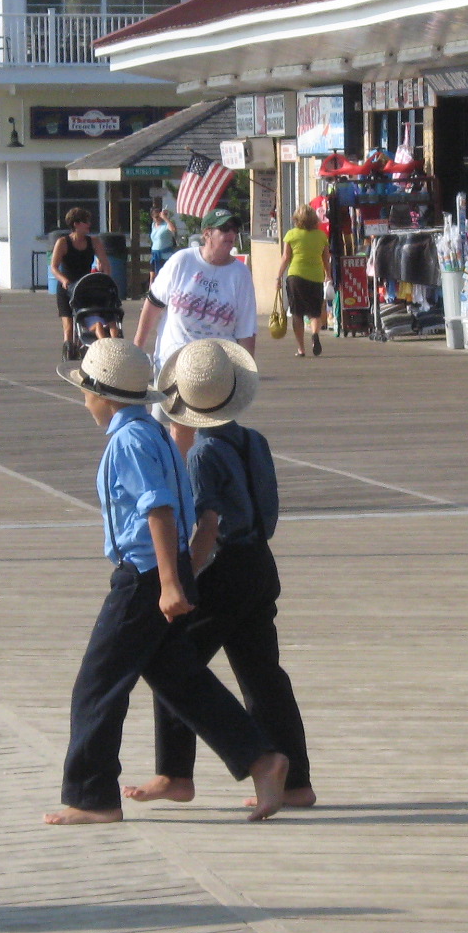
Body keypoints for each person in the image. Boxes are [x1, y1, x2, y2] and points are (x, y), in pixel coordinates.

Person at [45, 339, 288, 825]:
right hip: (166, 567)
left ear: (105, 396)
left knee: (97, 685)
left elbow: (157, 508)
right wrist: (178, 573)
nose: (84, 399)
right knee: (181, 679)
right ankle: (261, 758)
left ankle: (93, 797)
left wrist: (169, 584)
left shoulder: (129, 441)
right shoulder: (155, 434)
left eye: (86, 391)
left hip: (144, 576)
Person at [122, 339, 316, 810]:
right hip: (260, 564)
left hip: (227, 568)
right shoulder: (254, 441)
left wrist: (181, 577)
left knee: (173, 659)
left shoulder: (202, 453)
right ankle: (296, 783)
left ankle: (175, 773)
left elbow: (208, 526)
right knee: (262, 674)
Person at [133, 207, 256, 455]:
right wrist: (136, 350)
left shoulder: (240, 274)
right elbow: (153, 305)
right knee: (179, 427)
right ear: (207, 233)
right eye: (224, 229)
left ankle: (202, 481)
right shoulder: (182, 261)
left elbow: (246, 329)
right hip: (175, 360)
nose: (231, 233)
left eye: (234, 229)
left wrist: (246, 374)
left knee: (216, 432)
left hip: (216, 365)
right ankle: (183, 483)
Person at [52, 207, 109, 360]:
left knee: (89, 318)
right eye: (86, 222)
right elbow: (54, 267)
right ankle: (68, 351)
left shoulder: (94, 241)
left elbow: (105, 263)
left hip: (85, 286)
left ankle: (88, 346)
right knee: (69, 327)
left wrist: (106, 280)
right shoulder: (63, 242)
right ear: (76, 224)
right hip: (67, 286)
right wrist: (63, 280)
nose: (89, 224)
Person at [278, 204, 330, 358]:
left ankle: (301, 349)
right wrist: (328, 274)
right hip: (315, 277)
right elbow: (325, 259)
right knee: (315, 313)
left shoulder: (291, 235)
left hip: (296, 277)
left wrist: (278, 276)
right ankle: (314, 334)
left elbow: (286, 258)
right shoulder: (321, 236)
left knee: (297, 313)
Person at [149, 205, 179, 277]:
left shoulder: (166, 224)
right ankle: (151, 287)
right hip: (155, 255)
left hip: (165, 256)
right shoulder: (153, 225)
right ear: (152, 217)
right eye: (156, 217)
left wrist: (165, 218)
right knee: (153, 276)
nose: (158, 219)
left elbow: (173, 229)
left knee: (165, 276)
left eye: (159, 216)